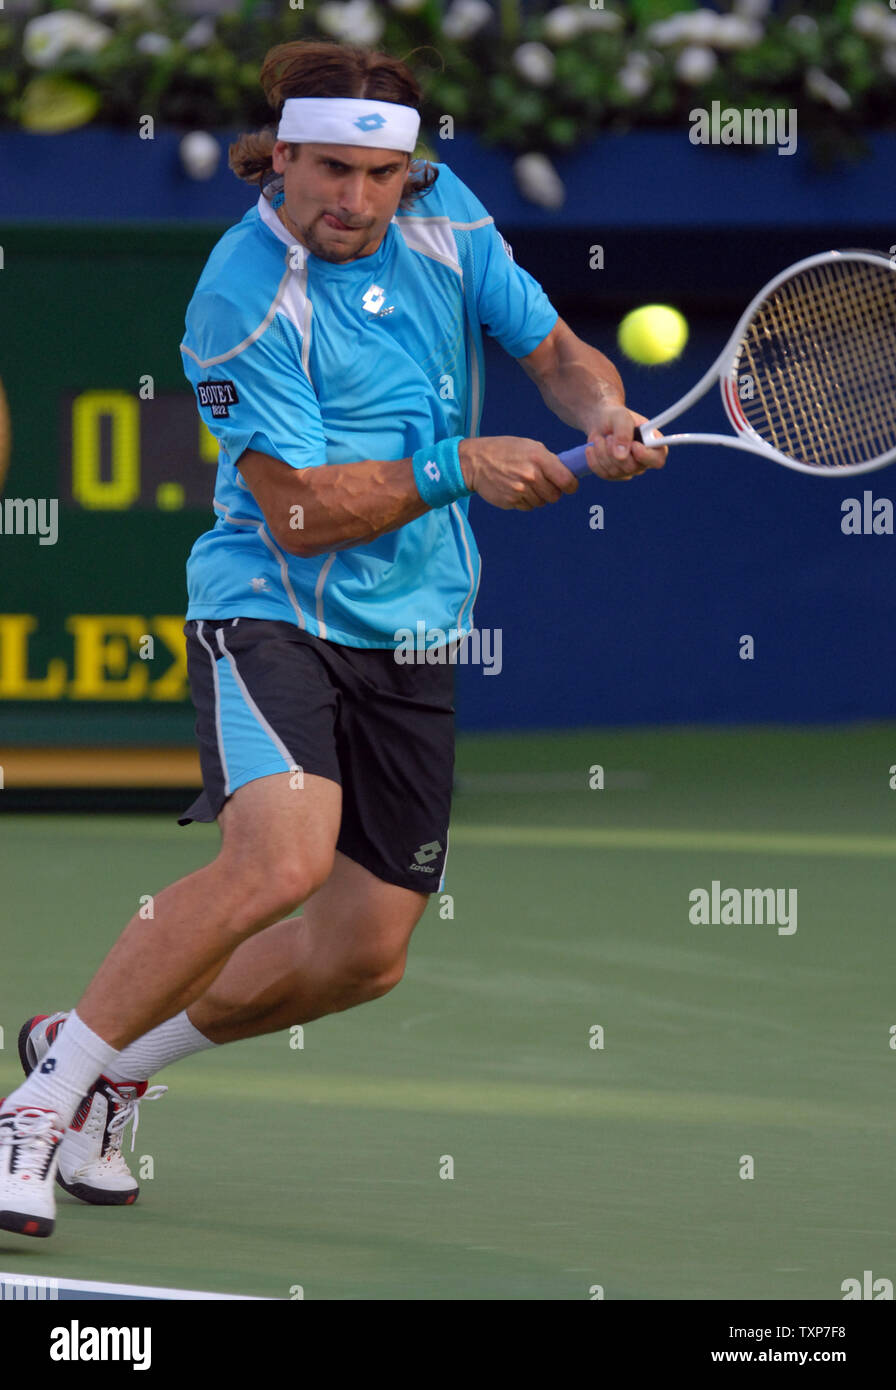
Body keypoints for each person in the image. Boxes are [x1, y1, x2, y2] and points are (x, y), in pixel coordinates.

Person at [0, 38, 665, 1238]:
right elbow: (299, 515)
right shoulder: (239, 293)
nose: (352, 200)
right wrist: (458, 462)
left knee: (362, 954)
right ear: (281, 157)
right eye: (326, 171)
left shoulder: (445, 214)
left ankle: (101, 1057)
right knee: (279, 864)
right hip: (272, 606)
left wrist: (602, 411)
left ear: (410, 172)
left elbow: (557, 355)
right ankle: (38, 1108)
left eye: (377, 175)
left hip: (415, 627)